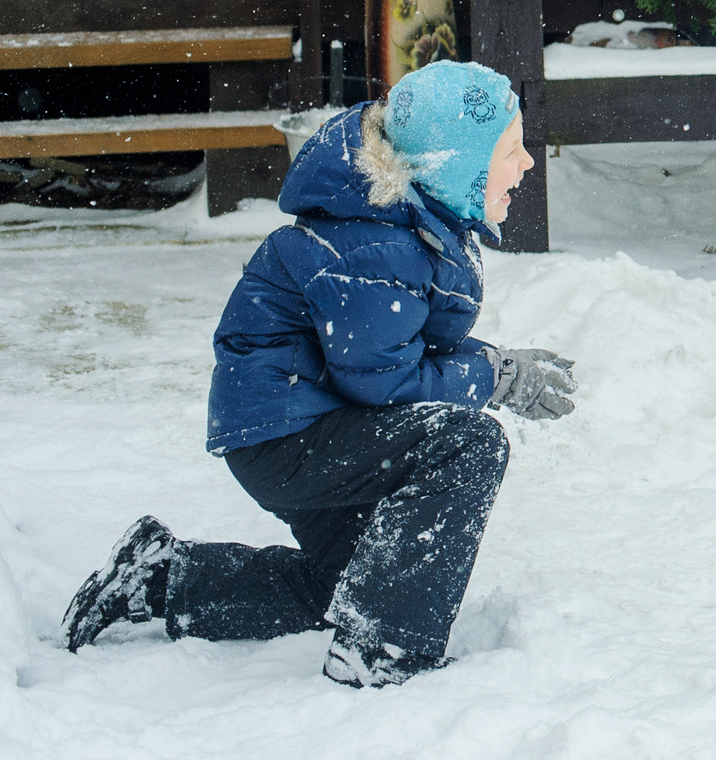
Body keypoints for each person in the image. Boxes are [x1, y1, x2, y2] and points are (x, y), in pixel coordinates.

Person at [60, 60, 579, 686]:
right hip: (287, 435)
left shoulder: (399, 227)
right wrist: (492, 377)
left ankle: (163, 577)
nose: (525, 164)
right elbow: (384, 382)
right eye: (511, 150)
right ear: (454, 166)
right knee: (467, 444)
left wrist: (493, 367)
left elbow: (389, 353)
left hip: (300, 424)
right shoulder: (375, 247)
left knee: (343, 581)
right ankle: (381, 649)